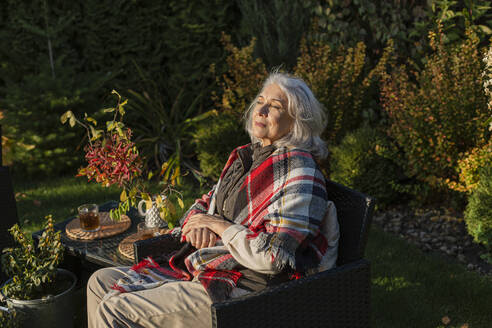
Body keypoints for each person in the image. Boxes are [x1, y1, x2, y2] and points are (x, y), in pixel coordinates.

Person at [86, 72, 339, 328]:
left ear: (297, 121)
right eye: (260, 101)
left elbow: (273, 256)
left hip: (244, 288)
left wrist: (218, 226)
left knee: (113, 310)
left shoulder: (299, 172)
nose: (260, 110)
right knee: (99, 282)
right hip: (210, 265)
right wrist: (200, 223)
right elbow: (204, 204)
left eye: (274, 106)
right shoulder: (247, 158)